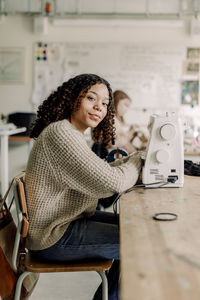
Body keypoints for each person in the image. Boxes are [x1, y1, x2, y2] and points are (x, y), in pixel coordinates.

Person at [25, 73, 142, 300]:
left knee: (136, 227)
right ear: (72, 99)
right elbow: (114, 183)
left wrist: (132, 160)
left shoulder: (71, 132)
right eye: (91, 98)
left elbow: (97, 172)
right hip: (53, 234)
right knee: (137, 242)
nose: (100, 107)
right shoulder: (61, 133)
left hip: (66, 221)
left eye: (105, 103)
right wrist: (138, 160)